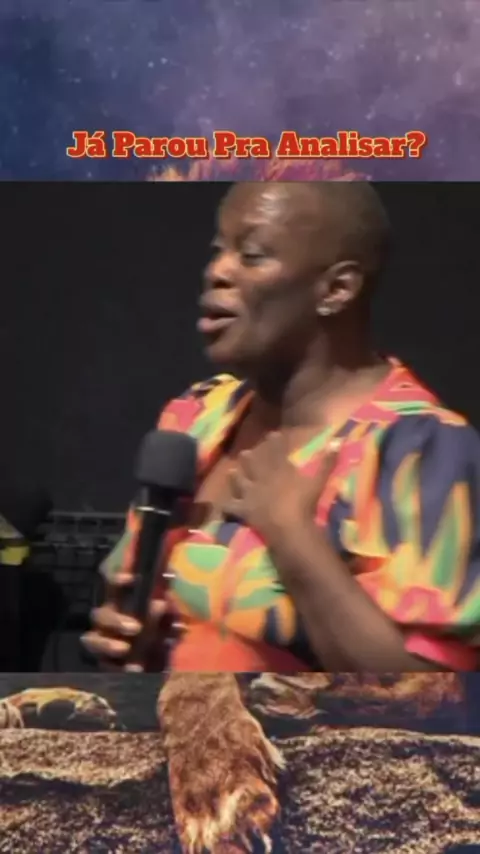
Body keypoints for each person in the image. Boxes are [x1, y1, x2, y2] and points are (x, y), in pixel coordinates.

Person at [82, 181, 480, 672]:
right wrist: (132, 642)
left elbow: (435, 698)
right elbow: (132, 591)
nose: (217, 271)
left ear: (337, 289)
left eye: (251, 255)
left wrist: (291, 532)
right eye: (218, 251)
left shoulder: (422, 450)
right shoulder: (197, 415)